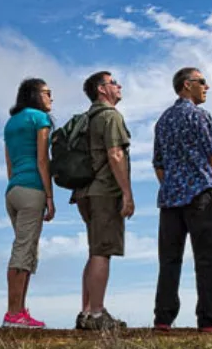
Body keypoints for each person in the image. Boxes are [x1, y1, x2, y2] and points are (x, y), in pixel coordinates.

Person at [152, 67, 212, 332]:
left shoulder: (162, 120)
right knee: (207, 257)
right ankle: (208, 318)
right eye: (202, 82)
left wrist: (172, 184)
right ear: (187, 85)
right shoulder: (199, 115)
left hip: (170, 198)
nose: (207, 87)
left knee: (169, 259)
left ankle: (163, 317)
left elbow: (158, 163)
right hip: (199, 194)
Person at [72, 71, 132, 331]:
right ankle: (97, 314)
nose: (118, 86)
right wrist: (127, 193)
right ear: (101, 89)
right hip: (104, 191)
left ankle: (87, 311)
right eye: (113, 83)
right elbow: (116, 154)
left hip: (84, 191)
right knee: (102, 251)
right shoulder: (110, 116)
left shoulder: (86, 118)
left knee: (94, 250)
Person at [1, 78, 56, 328]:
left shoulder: (11, 123)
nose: (51, 97)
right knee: (24, 251)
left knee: (27, 250)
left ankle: (20, 311)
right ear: (34, 95)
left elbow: (9, 163)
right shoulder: (39, 119)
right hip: (33, 189)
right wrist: (49, 197)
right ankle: (13, 314)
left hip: (13, 190)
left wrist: (16, 184)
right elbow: (43, 160)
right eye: (47, 93)